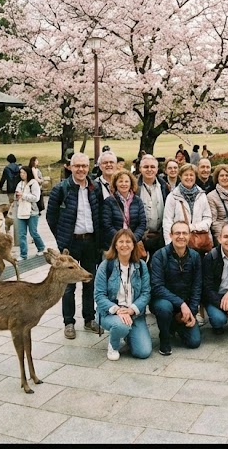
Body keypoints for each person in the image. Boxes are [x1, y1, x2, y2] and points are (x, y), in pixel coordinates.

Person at [46, 152, 103, 338]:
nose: (81, 169)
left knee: (89, 280)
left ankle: (89, 319)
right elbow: (51, 217)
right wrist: (62, 238)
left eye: (84, 166)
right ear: (69, 167)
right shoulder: (61, 189)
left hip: (91, 241)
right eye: (77, 166)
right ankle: (69, 322)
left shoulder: (95, 188)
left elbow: (99, 213)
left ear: (89, 167)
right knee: (68, 284)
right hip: (70, 242)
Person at [94, 229, 153, 361]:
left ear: (133, 245)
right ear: (115, 245)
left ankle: (127, 335)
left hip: (134, 314)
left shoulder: (141, 266)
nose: (124, 245)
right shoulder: (106, 266)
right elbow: (99, 295)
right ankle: (113, 346)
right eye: (121, 241)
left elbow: (146, 293)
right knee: (121, 325)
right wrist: (118, 310)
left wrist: (132, 309)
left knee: (143, 352)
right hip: (110, 313)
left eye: (128, 241)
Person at [150, 220, 203, 355]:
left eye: (184, 233)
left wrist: (191, 311)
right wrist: (181, 304)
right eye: (177, 233)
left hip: (185, 306)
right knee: (164, 307)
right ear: (170, 235)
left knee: (194, 342)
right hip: (163, 302)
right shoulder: (159, 256)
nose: (181, 236)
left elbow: (197, 286)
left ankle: (175, 325)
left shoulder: (195, 257)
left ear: (189, 235)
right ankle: (165, 337)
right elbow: (157, 287)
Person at [162, 163, 212, 247]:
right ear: (180, 177)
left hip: (199, 242)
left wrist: (192, 227)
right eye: (186, 175)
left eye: (191, 175)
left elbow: (208, 218)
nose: (189, 178)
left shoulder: (202, 195)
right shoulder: (173, 196)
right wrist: (170, 244)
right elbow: (167, 221)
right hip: (179, 241)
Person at [101, 170, 147, 259]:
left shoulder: (137, 201)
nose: (124, 184)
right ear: (115, 183)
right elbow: (106, 224)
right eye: (120, 181)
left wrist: (132, 239)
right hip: (114, 245)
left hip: (133, 245)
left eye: (126, 181)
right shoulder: (109, 201)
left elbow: (142, 223)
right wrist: (120, 240)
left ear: (131, 183)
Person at [137, 154, 170, 259]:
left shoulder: (165, 186)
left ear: (157, 169)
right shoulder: (134, 187)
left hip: (160, 236)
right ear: (140, 169)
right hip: (140, 238)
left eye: (152, 167)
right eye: (146, 167)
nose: (149, 170)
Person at [14, 166, 48, 260]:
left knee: (33, 232)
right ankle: (23, 254)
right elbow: (16, 196)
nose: (22, 175)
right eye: (21, 173)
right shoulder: (19, 184)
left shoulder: (33, 183)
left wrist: (23, 195)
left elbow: (36, 197)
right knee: (21, 234)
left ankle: (41, 247)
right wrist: (17, 196)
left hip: (32, 211)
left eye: (24, 173)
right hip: (21, 210)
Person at [208, 164, 228, 246]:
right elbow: (214, 222)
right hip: (222, 237)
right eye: (221, 175)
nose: (224, 178)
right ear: (217, 178)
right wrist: (222, 239)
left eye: (227, 175)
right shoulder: (211, 196)